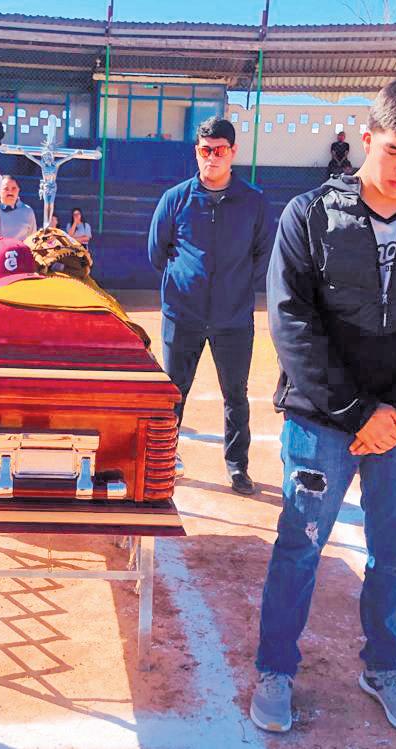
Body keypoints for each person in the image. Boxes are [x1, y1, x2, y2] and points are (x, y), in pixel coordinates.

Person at [252, 76, 396, 737]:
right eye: (394, 150)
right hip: (322, 419)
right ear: (367, 135)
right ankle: (275, 669)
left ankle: (384, 668)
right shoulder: (309, 214)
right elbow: (292, 322)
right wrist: (357, 412)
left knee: (394, 554)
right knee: (299, 546)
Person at [148, 116, 274, 495]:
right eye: (205, 150)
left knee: (235, 395)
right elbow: (157, 252)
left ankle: (238, 467)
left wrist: (233, 289)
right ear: (196, 152)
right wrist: (186, 284)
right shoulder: (176, 199)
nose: (212, 158)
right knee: (174, 392)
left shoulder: (253, 201)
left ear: (233, 152)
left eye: (220, 150)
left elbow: (263, 254)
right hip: (182, 315)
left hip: (233, 319)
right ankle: (163, 459)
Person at [0, 174, 38, 241]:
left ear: (18, 190)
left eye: (14, 188)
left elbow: (32, 239)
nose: (10, 192)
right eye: (6, 189)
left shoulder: (27, 211)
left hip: (19, 247)